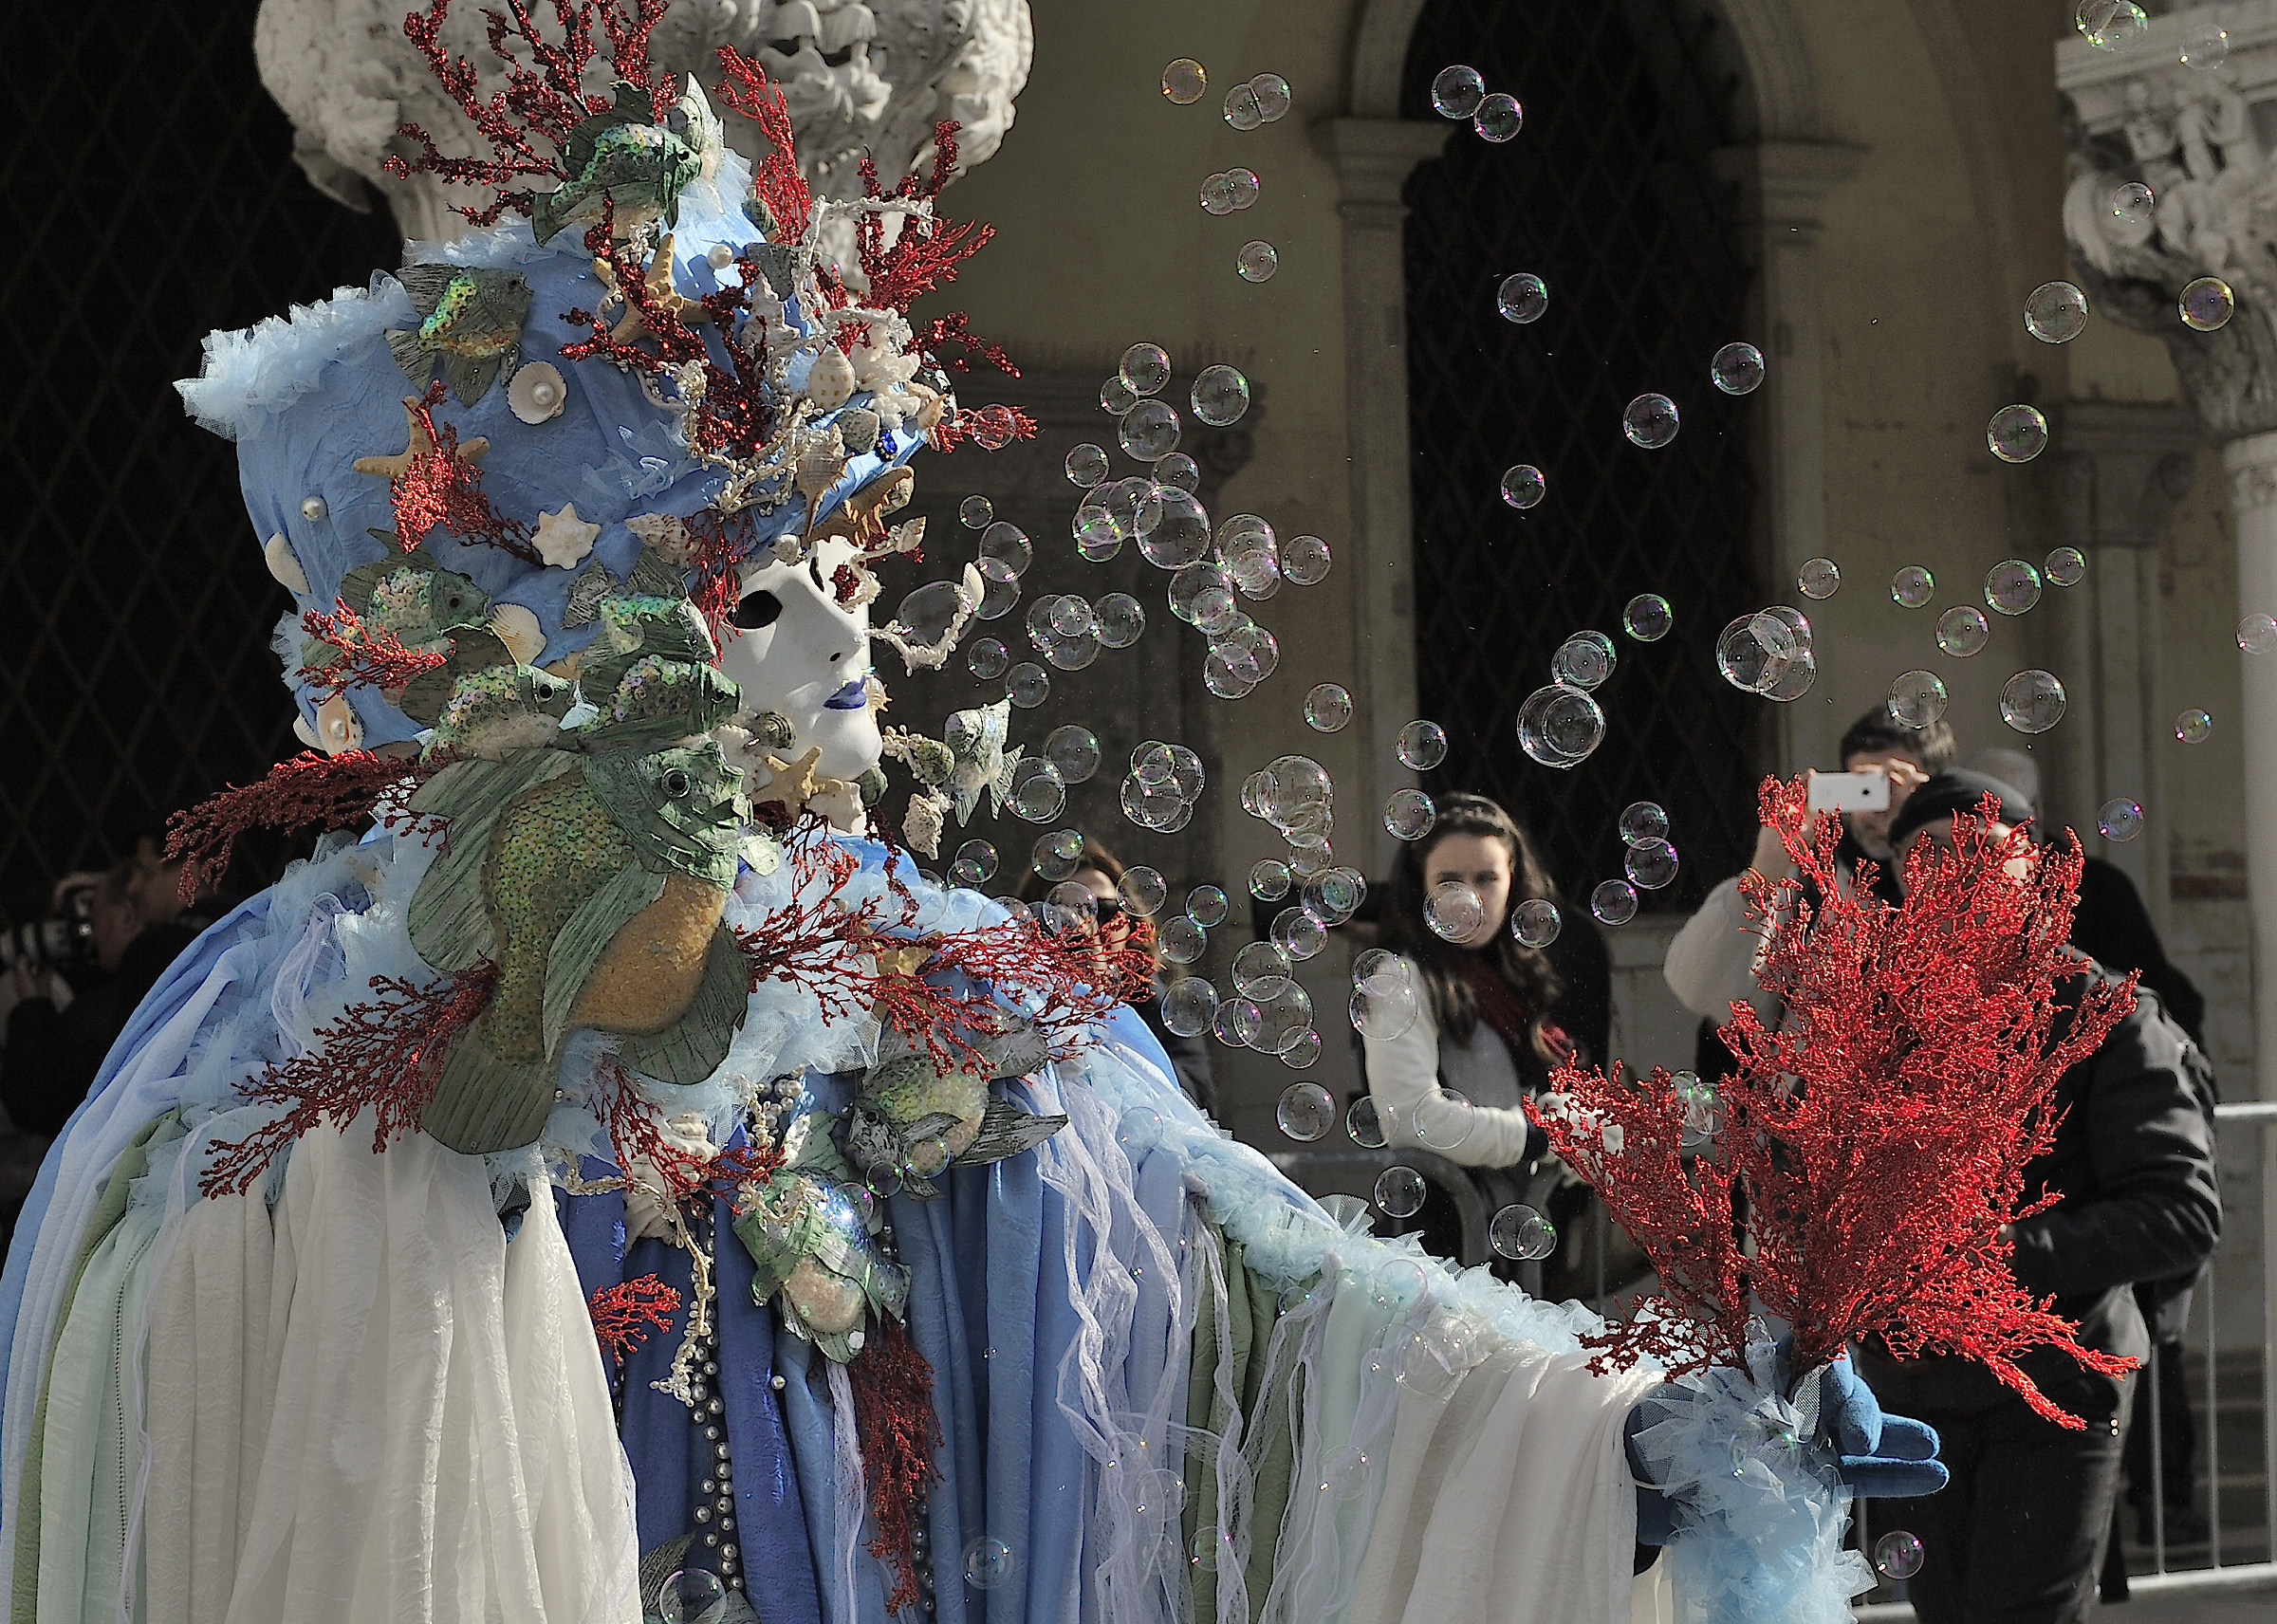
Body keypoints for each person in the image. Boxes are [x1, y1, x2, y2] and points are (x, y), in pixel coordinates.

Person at [1858, 773, 2221, 1624]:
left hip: (2056, 1382)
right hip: (1911, 1387)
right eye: (1930, 857)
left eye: (1983, 855)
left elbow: (2182, 1213)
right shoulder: (1873, 1016)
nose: (1957, 880)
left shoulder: (2106, 1014)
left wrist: (2003, 1253)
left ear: (2040, 873)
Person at [1361, 793, 1620, 1292]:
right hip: (1444, 1246)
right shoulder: (1399, 978)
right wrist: (1543, 1137)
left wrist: (1588, 1126)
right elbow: (1414, 1118)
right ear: (1422, 890)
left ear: (1514, 882)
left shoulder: (1530, 975)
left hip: (1530, 1236)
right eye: (1449, 881)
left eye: (1486, 879)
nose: (1470, 899)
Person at [1665, 707, 1954, 1031]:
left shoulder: (1970, 876)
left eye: (1892, 788)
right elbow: (1700, 991)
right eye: (1865, 789)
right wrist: (1767, 867)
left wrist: (1934, 824)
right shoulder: (1812, 887)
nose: (1878, 809)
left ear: (1934, 787)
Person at [1015, 836, 1216, 1116]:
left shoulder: (1156, 997)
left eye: (1107, 911)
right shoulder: (1014, 994)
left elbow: (1199, 1097)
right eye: (1069, 914)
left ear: (1130, 921)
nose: (1090, 927)